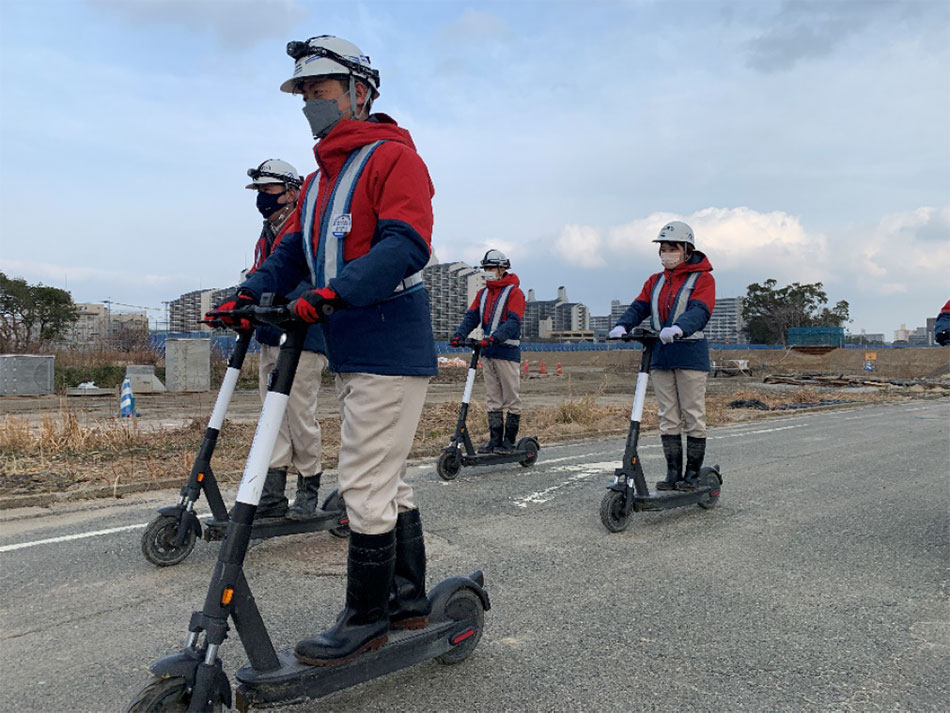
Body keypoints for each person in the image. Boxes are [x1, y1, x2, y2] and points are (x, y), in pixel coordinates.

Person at [211, 34, 436, 666]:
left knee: (363, 484)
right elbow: (289, 256)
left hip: (388, 338)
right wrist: (247, 293)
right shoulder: (317, 181)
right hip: (350, 345)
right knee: (383, 481)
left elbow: (405, 245)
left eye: (323, 90)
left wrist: (334, 293)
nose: (313, 102)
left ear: (360, 92)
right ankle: (408, 600)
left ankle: (366, 619)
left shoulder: (394, 161)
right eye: (305, 94)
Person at [245, 159, 328, 520]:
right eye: (259, 191)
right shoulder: (266, 233)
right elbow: (261, 275)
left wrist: (290, 304)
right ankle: (273, 494)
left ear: (292, 192)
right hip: (271, 334)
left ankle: (308, 486)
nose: (263, 198)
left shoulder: (307, 229)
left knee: (298, 413)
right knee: (271, 415)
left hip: (305, 336)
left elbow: (314, 280)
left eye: (268, 190)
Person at [608, 221, 716, 491]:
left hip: (689, 354)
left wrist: (680, 328)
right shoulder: (655, 281)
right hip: (660, 355)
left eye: (672, 248)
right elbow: (639, 306)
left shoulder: (702, 279)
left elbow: (700, 310)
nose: (665, 253)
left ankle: (691, 476)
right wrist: (623, 324)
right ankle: (672, 474)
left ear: (687, 249)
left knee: (692, 414)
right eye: (662, 249)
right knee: (668, 415)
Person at [450, 250, 526, 454]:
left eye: (491, 268)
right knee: (493, 398)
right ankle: (494, 440)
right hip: (488, 352)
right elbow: (471, 317)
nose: (488, 272)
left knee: (511, 398)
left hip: (507, 352)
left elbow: (513, 322)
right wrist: (459, 335)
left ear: (502, 269)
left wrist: (494, 337)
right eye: (486, 268)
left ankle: (509, 442)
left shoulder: (514, 293)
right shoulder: (483, 294)